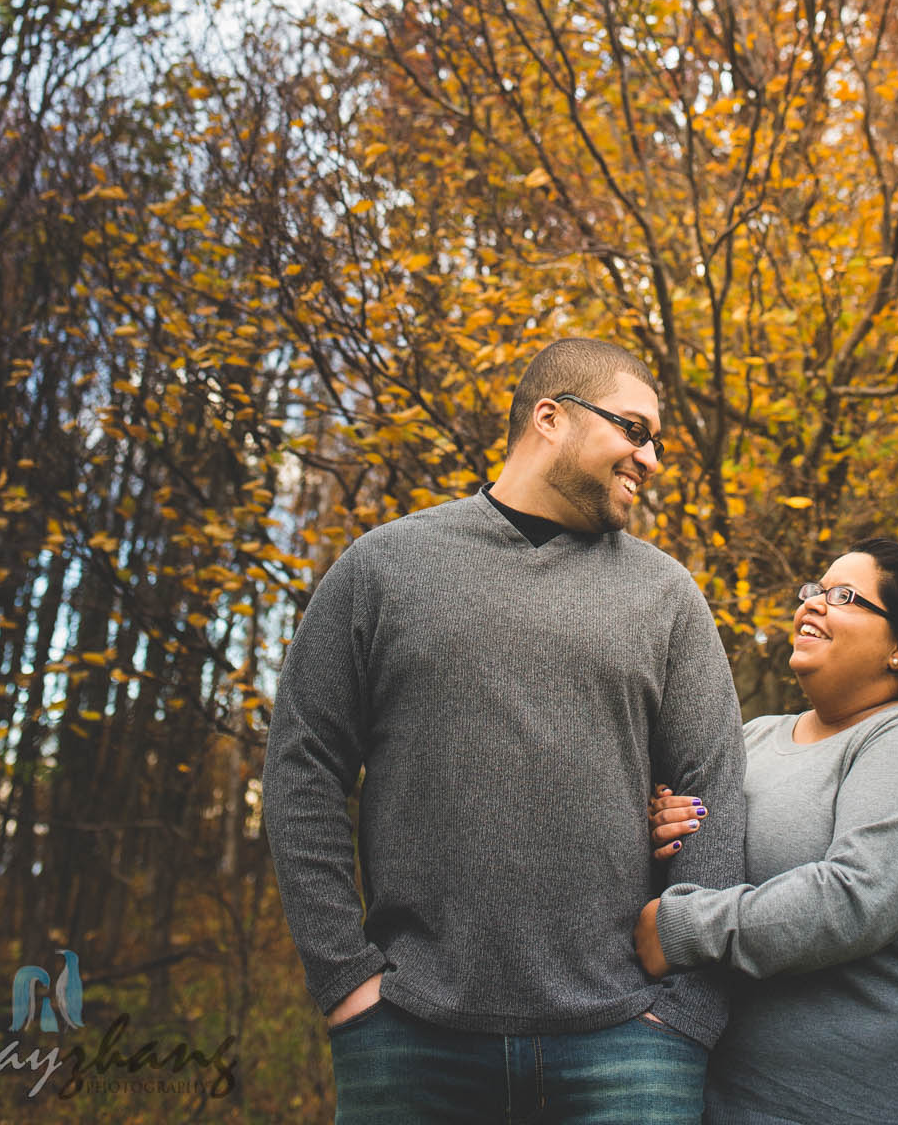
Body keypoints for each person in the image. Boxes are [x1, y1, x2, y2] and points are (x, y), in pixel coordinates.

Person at [262, 336, 747, 1124]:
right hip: (410, 1040)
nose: (650, 457)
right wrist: (344, 979)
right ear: (550, 417)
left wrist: (688, 1011)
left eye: (653, 439)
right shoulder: (386, 567)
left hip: (630, 1047)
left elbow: (712, 793)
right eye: (633, 428)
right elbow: (301, 766)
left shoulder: (665, 594)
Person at [633, 537, 898, 1125]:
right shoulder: (754, 739)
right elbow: (699, 849)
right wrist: (663, 827)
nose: (814, 605)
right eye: (814, 591)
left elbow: (855, 897)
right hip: (738, 1102)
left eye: (845, 596)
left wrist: (684, 929)